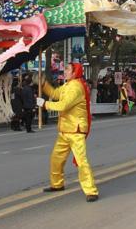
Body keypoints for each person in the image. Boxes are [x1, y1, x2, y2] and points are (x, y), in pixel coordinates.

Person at [36, 63, 99, 202]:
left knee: (82, 161)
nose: (64, 72)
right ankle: (57, 184)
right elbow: (55, 93)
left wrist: (44, 104)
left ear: (75, 72)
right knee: (56, 159)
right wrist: (44, 84)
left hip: (75, 130)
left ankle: (91, 190)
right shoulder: (67, 85)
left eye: (67, 69)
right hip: (65, 130)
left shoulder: (76, 87)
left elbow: (63, 105)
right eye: (64, 69)